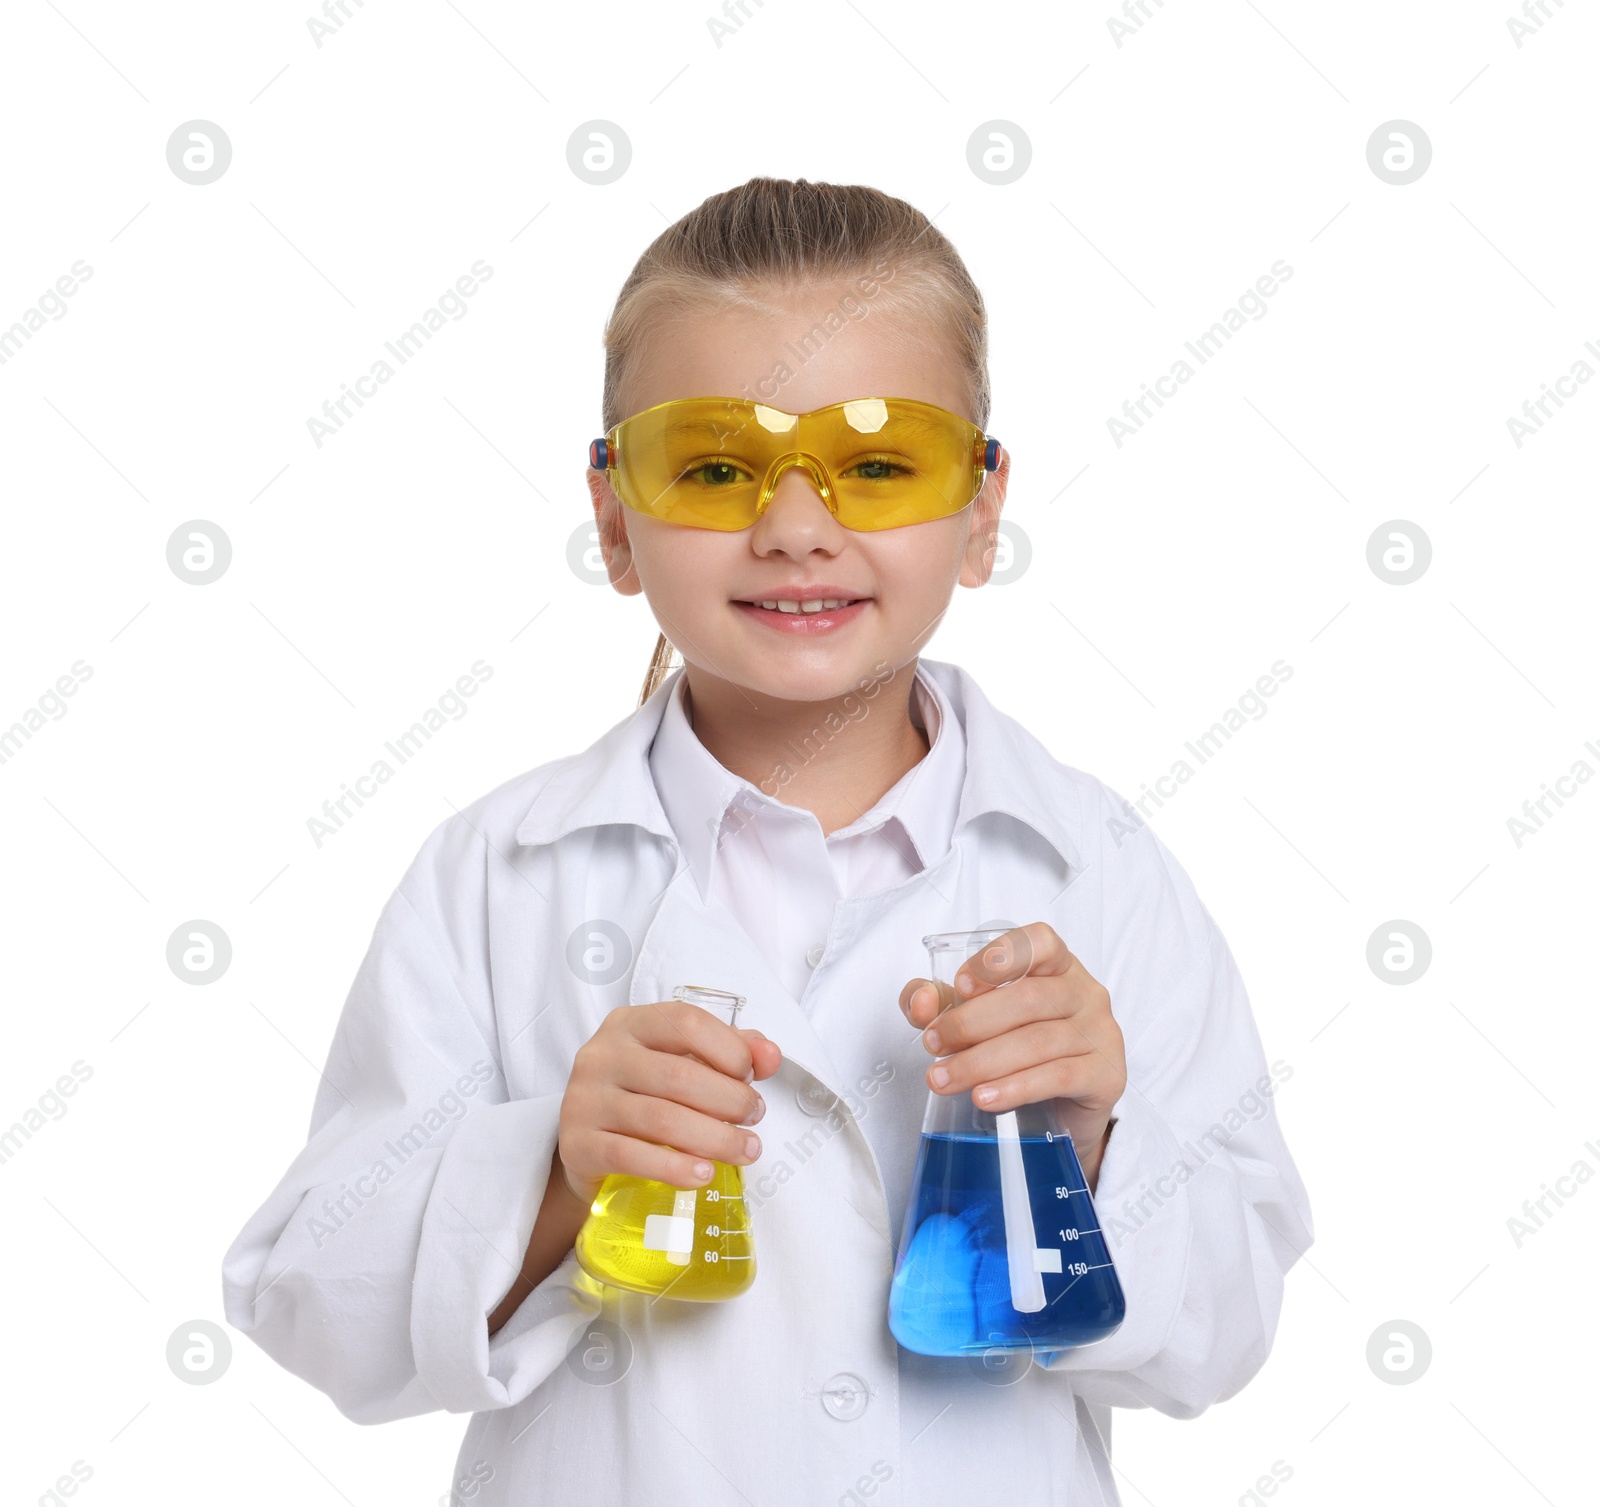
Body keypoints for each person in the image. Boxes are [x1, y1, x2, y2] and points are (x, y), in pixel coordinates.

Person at [222, 176, 1313, 1506]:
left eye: (877, 460)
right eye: (716, 464)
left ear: (981, 508)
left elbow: (1226, 1331)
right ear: (615, 514)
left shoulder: (1097, 869)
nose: (797, 525)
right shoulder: (496, 875)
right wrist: (557, 1169)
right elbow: (313, 1308)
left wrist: (1091, 1149)